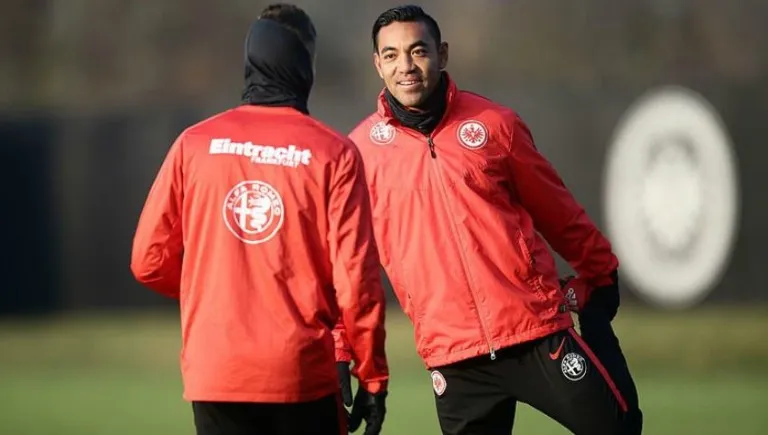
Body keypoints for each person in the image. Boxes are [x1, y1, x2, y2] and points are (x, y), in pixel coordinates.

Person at [338, 4, 643, 435]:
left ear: (442, 54)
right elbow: (345, 265)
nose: (405, 66)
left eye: (417, 51)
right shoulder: (359, 154)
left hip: (535, 334)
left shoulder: (494, 125)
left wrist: (600, 271)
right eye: (391, 55)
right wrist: (340, 346)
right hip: (455, 360)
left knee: (622, 427)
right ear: (377, 64)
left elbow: (557, 210)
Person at [130, 4, 389, 435]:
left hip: (215, 371)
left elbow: (148, 262)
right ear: (306, 65)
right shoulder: (333, 153)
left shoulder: (193, 145)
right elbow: (357, 283)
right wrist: (374, 376)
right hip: (299, 373)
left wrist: (217, 294)